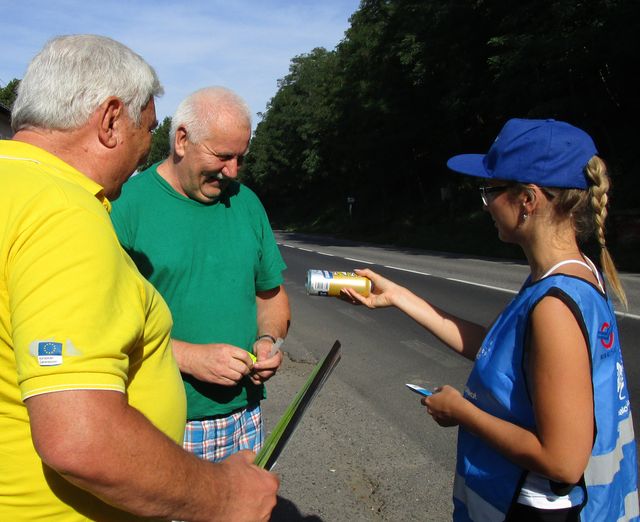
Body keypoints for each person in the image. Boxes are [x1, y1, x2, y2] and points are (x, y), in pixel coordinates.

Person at [0, 35, 278, 521]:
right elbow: (80, 438)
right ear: (110, 120)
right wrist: (224, 496)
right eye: (147, 128)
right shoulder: (65, 214)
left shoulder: (14, 186)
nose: (144, 148)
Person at [343, 119, 638, 521]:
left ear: (527, 199)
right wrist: (398, 296)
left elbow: (563, 461)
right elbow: (500, 356)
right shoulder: (571, 274)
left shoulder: (553, 304)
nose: (485, 205)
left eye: (490, 191)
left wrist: (462, 412)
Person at [111, 86, 290, 463]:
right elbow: (99, 326)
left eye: (241, 156)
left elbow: (270, 295)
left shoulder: (247, 202)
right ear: (181, 140)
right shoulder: (125, 206)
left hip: (245, 417)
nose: (233, 171)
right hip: (162, 420)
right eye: (223, 156)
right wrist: (188, 358)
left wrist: (268, 340)